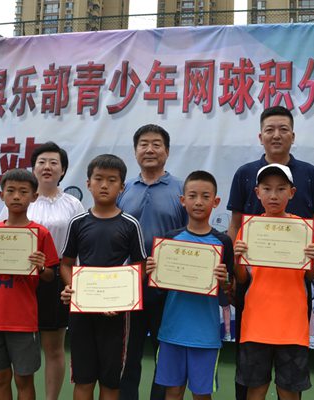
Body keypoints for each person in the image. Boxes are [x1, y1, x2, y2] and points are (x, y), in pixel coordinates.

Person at [226, 105, 314, 400]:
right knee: (251, 378)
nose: (276, 135)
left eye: (283, 129)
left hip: (293, 296)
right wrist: (232, 268)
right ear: (260, 136)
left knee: (290, 382)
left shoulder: (309, 174)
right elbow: (235, 224)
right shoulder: (245, 174)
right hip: (254, 294)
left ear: (293, 135)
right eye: (270, 129)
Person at [0, 141, 84, 400]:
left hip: (55, 279)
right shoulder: (22, 199)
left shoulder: (73, 205)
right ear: (33, 168)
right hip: (19, 280)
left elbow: (80, 246)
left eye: (54, 162)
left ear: (63, 170)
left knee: (53, 348)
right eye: (41, 162)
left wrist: (75, 280)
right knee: (19, 346)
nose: (47, 167)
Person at [0, 168, 59, 400]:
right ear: (2, 195)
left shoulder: (40, 234)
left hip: (24, 320)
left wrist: (41, 268)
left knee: (24, 378)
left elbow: (50, 276)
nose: (17, 196)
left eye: (23, 192)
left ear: (34, 197)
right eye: (11, 191)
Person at [59, 154, 147, 400]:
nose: (104, 185)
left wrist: (122, 299)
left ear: (122, 187)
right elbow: (65, 265)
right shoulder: (77, 223)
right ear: (88, 183)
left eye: (112, 180)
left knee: (111, 383)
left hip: (116, 316)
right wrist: (73, 288)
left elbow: (140, 266)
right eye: (98, 179)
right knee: (83, 379)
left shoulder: (130, 224)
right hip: (82, 313)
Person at [233, 164, 314, 400]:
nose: (274, 195)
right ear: (257, 192)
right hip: (256, 323)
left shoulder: (303, 229)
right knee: (255, 389)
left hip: (293, 326)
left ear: (292, 193)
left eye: (281, 189)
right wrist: (237, 259)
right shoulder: (249, 228)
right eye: (267, 189)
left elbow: (310, 275)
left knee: (289, 391)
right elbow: (242, 278)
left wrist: (313, 259)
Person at [146, 170, 233, 400]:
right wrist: (152, 273)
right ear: (183, 200)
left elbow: (229, 290)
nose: (199, 202)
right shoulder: (169, 240)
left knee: (201, 395)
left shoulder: (223, 242)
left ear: (216, 202)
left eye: (205, 196)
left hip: (205, 335)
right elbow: (158, 288)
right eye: (192, 196)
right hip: (171, 331)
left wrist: (224, 280)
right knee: (173, 392)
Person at [117, 124, 187, 400]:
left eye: (156, 144)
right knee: (128, 355)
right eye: (143, 144)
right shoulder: (123, 189)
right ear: (135, 151)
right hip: (129, 287)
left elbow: (190, 236)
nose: (149, 149)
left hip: (167, 288)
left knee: (164, 355)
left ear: (167, 151)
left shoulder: (182, 190)